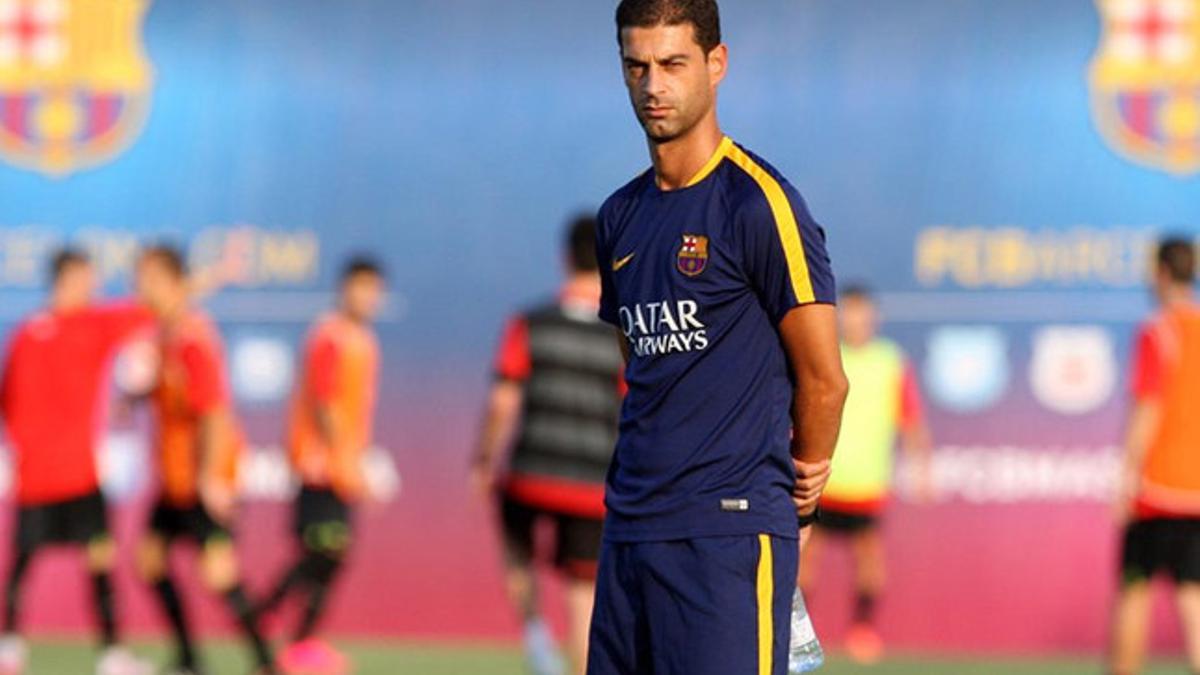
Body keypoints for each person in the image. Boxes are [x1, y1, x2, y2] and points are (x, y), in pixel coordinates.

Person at [587, 2, 848, 673]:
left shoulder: (759, 203)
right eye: (636, 67)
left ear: (716, 63)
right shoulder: (619, 215)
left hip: (729, 533)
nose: (653, 86)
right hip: (630, 530)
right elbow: (640, 366)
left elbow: (824, 378)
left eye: (673, 63)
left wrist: (804, 486)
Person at [472, 215, 625, 675]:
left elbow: (502, 401)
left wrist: (483, 459)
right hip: (593, 483)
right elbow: (631, 407)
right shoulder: (620, 333)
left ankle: (536, 634)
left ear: (564, 258)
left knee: (517, 553)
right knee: (584, 594)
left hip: (530, 472)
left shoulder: (530, 323)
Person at [0, 249, 153, 675]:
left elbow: (157, 305)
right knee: (32, 562)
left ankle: (107, 655)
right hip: (55, 474)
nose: (95, 288)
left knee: (76, 561)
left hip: (62, 473)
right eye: (89, 279)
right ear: (67, 279)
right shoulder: (53, 330)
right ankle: (14, 648)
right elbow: (161, 300)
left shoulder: (42, 330)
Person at [131, 246, 275, 675]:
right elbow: (184, 292)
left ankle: (267, 663)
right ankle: (189, 658)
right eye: (140, 278)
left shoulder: (194, 340)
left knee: (219, 576)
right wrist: (133, 396)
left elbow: (215, 414)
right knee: (149, 560)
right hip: (174, 479)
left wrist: (212, 479)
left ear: (172, 282)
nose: (142, 287)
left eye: (150, 278)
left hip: (202, 477)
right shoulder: (163, 332)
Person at [257, 257, 386, 674]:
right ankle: (268, 612)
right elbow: (326, 403)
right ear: (344, 288)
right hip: (319, 465)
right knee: (326, 549)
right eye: (360, 286)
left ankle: (298, 642)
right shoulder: (330, 337)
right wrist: (348, 460)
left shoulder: (361, 340)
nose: (367, 297)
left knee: (332, 555)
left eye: (374, 289)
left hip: (339, 466)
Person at [798, 284, 933, 664]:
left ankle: (863, 629)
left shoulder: (890, 361)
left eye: (863, 313)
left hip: (867, 483)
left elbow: (910, 419)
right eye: (849, 313)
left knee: (869, 560)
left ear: (874, 317)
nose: (856, 321)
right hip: (824, 479)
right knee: (805, 558)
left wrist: (921, 468)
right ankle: (798, 630)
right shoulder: (827, 356)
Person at [1109, 238, 1200, 675]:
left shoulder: (1157, 330)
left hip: (1157, 487)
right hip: (1197, 491)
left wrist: (1127, 478)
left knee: (1134, 590)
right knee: (1193, 597)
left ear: (1162, 272)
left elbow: (1148, 407)